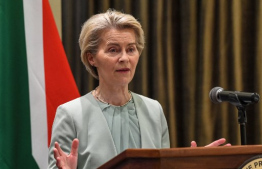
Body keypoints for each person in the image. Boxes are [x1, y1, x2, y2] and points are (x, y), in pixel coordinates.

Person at [48, 9, 230, 169]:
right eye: (113, 50)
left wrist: (189, 164)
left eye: (131, 49)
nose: (124, 58)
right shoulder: (70, 114)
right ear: (91, 58)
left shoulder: (153, 110)